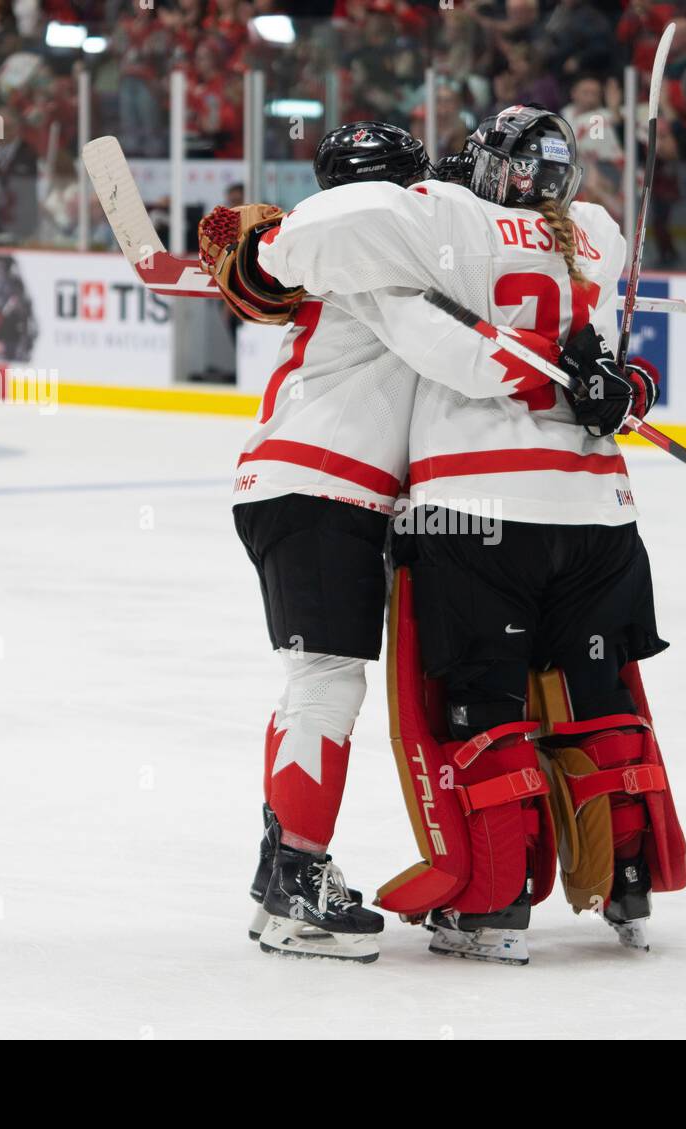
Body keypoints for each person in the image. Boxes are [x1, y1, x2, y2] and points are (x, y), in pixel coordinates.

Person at [256, 105, 686, 964]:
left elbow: (424, 326)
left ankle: (483, 898)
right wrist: (611, 383)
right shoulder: (590, 232)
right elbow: (603, 356)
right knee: (592, 694)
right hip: (580, 509)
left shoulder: (433, 224)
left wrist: (266, 249)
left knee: (477, 705)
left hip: (459, 502)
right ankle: (626, 875)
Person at [198, 121, 565, 963]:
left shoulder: (352, 254)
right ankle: (298, 880)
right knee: (325, 682)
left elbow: (271, 265)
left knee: (313, 680)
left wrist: (259, 260)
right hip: (324, 486)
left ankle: (279, 872)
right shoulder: (391, 266)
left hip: (301, 484)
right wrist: (557, 361)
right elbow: (457, 354)